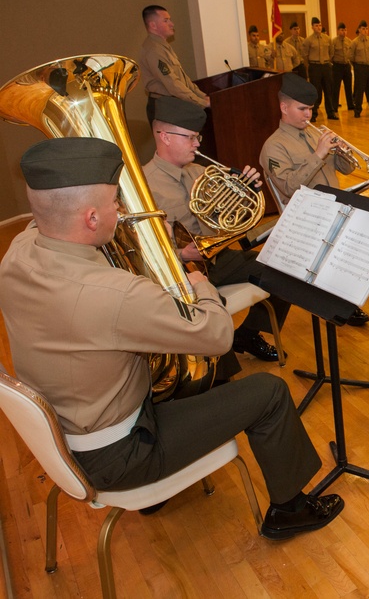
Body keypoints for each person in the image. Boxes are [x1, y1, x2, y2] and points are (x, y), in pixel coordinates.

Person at [0, 138, 344, 540]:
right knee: (268, 392)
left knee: (197, 377)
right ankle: (290, 509)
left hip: (67, 433)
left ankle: (164, 488)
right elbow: (216, 335)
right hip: (122, 453)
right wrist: (199, 283)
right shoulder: (115, 294)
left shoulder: (18, 251)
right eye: (116, 204)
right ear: (92, 218)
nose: (123, 212)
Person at [143, 96, 289, 361]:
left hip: (219, 258)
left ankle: (247, 334)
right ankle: (220, 378)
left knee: (284, 273)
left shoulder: (199, 172)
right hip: (182, 271)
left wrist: (246, 192)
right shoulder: (142, 185)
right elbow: (143, 250)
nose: (198, 144)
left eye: (198, 137)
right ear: (164, 136)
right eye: (190, 138)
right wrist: (183, 255)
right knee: (212, 310)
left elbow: (226, 222)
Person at [258, 74, 369, 325]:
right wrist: (319, 154)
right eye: (302, 109)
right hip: (306, 218)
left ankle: (346, 298)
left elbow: (345, 169)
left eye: (310, 109)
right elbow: (288, 188)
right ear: (284, 107)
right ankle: (336, 301)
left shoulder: (313, 134)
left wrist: (341, 151)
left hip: (336, 208)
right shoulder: (274, 146)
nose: (308, 115)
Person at [138, 5, 209, 124]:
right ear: (153, 25)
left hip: (171, 104)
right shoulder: (154, 50)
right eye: (166, 21)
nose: (172, 24)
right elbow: (173, 84)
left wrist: (203, 96)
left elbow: (183, 79)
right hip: (164, 107)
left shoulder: (162, 46)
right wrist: (202, 102)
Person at [304, 17, 335, 122]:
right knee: (315, 92)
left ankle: (330, 113)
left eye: (320, 25)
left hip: (326, 66)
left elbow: (331, 52)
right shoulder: (308, 40)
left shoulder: (327, 39)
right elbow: (305, 55)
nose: (319, 27)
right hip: (315, 66)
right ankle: (313, 114)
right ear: (312, 27)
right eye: (316, 25)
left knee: (329, 90)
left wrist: (327, 61)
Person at [348, 20, 369, 118]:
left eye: (366, 29)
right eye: (363, 29)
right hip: (360, 67)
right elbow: (351, 56)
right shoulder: (354, 42)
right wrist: (357, 65)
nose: (365, 31)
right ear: (359, 30)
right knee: (360, 89)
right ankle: (357, 110)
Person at [331, 22, 355, 117]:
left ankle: (350, 104)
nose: (344, 32)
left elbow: (351, 54)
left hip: (346, 65)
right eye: (342, 30)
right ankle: (334, 106)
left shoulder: (349, 41)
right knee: (336, 87)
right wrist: (335, 63)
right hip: (337, 66)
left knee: (348, 86)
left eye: (345, 30)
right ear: (338, 31)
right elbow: (331, 55)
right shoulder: (333, 42)